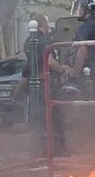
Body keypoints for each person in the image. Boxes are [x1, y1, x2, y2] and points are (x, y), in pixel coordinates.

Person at [15, 13, 69, 157]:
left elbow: (29, 65)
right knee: (55, 116)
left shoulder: (28, 41)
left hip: (34, 87)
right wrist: (63, 69)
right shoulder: (45, 40)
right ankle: (58, 149)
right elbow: (50, 62)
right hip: (47, 84)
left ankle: (38, 150)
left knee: (38, 119)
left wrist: (19, 89)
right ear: (44, 24)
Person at [68, 0, 95, 98]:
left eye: (79, 7)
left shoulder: (85, 28)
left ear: (87, 8)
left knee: (83, 102)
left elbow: (82, 50)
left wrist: (75, 73)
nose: (78, 11)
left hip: (86, 73)